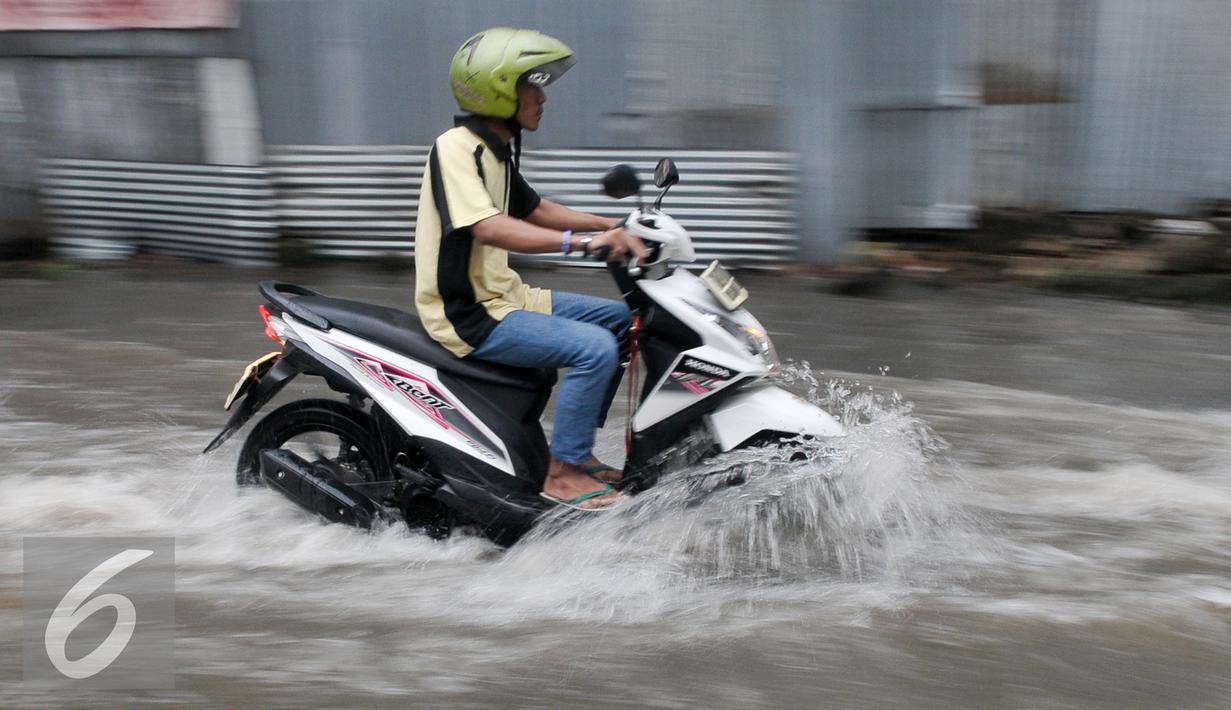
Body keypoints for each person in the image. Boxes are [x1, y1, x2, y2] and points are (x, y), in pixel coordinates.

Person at [413, 27, 646, 510]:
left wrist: (614, 223)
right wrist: (583, 243)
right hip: (468, 312)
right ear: (498, 90)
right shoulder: (457, 148)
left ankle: (575, 455)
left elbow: (536, 209)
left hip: (506, 296)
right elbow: (492, 228)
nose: (542, 98)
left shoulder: (495, 151)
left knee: (625, 325)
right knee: (594, 348)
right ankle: (561, 475)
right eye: (531, 86)